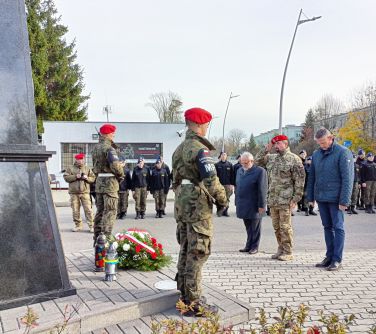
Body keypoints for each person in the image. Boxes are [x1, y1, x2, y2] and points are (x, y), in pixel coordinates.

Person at [172, 107, 227, 317]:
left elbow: (175, 181)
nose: (206, 128)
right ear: (199, 125)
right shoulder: (199, 150)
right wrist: (223, 200)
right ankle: (194, 303)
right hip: (197, 204)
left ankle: (184, 294)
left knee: (186, 247)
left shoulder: (178, 149)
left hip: (182, 202)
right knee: (198, 251)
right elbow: (211, 181)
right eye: (206, 125)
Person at [306, 128, 354, 271]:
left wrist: (344, 200)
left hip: (336, 198)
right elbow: (312, 177)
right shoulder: (316, 154)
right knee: (327, 227)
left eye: (323, 142)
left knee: (338, 227)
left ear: (331, 138)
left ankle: (337, 259)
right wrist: (310, 197)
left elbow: (348, 178)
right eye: (319, 143)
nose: (321, 145)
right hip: (322, 197)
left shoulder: (343, 152)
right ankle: (329, 256)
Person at [255, 134, 305, 261]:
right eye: (275, 144)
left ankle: (288, 251)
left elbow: (299, 180)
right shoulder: (272, 158)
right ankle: (280, 249)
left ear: (285, 144)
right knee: (276, 227)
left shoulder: (294, 159)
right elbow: (257, 161)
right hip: (273, 199)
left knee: (285, 227)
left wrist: (296, 198)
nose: (276, 146)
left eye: (278, 143)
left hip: (286, 199)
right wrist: (267, 148)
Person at [92, 124, 125, 242]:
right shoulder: (109, 148)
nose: (114, 135)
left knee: (100, 212)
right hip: (110, 183)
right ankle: (105, 240)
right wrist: (121, 172)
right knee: (110, 211)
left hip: (99, 183)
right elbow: (115, 166)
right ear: (108, 134)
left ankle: (97, 240)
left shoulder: (95, 148)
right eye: (113, 133)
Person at [235, 152, 267, 254]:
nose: (243, 165)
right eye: (242, 163)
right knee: (248, 227)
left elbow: (262, 189)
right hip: (243, 204)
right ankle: (248, 245)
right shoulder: (239, 170)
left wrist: (262, 205)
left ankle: (255, 246)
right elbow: (238, 186)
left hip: (254, 205)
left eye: (246, 163)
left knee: (255, 227)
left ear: (252, 161)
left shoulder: (260, 171)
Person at [63, 153, 96, 232]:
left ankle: (92, 226)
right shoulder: (70, 168)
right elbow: (66, 177)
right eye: (78, 159)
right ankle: (78, 225)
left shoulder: (87, 168)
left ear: (83, 159)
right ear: (76, 160)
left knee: (88, 209)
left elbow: (93, 178)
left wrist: (87, 178)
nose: (80, 161)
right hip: (74, 193)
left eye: (82, 159)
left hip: (85, 192)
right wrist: (75, 176)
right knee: (75, 210)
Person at [214, 152, 235, 216]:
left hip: (227, 185)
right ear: (220, 156)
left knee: (227, 198)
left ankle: (225, 212)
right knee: (219, 198)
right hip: (219, 185)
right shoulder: (217, 165)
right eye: (222, 155)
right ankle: (219, 211)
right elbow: (215, 176)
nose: (223, 156)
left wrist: (232, 184)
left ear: (226, 156)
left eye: (225, 155)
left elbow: (232, 175)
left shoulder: (230, 164)